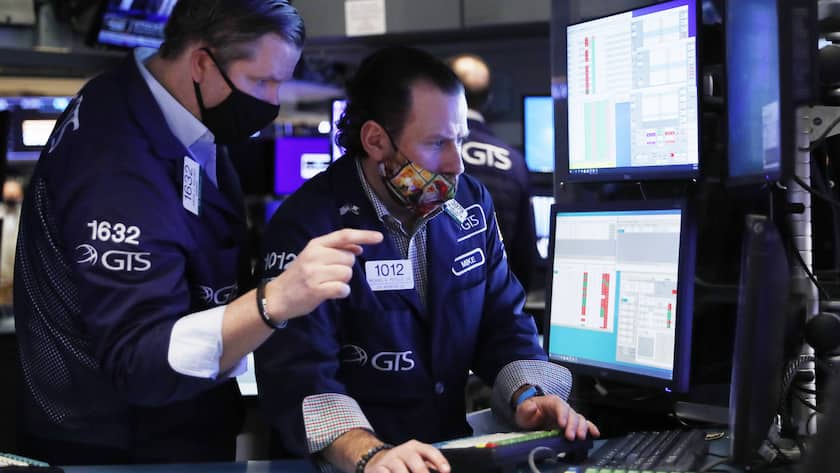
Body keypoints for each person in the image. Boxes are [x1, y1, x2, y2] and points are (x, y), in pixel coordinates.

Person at [14, 0, 381, 465]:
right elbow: (139, 361)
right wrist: (275, 300)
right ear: (202, 62)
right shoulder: (117, 165)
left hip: (177, 421)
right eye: (260, 81)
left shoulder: (159, 110)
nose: (270, 102)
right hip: (118, 444)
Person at [256, 46, 598, 473]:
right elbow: (300, 374)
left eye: (460, 140)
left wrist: (528, 396)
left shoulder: (470, 203)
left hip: (446, 454)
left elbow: (503, 323)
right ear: (376, 140)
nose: (456, 163)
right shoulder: (307, 225)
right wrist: (370, 454)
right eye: (437, 143)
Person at [447, 53, 537, 292]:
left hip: (439, 294)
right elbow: (525, 249)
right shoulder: (514, 162)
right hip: (497, 295)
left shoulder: (427, 154)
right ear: (489, 99)